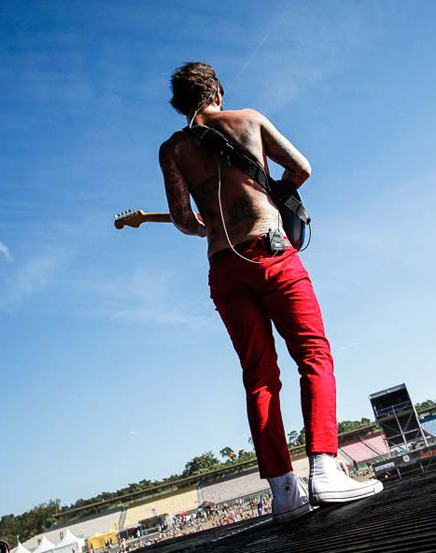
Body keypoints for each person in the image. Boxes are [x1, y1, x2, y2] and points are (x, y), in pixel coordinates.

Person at [159, 62, 382, 522]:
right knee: (314, 355)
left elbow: (183, 220)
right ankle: (324, 468)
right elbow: (301, 168)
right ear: (217, 89)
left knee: (259, 377)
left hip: (223, 266)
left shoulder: (172, 150)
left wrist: (214, 222)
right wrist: (270, 194)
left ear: (180, 104)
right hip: (272, 253)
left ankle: (284, 492)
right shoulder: (248, 120)